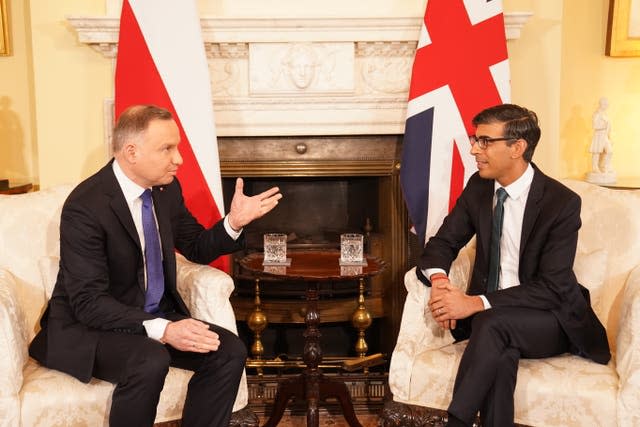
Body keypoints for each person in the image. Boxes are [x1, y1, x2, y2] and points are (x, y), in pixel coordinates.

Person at [29, 105, 283, 427]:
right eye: (167, 148)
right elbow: (88, 302)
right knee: (150, 358)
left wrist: (233, 223)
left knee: (228, 350)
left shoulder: (165, 189)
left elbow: (195, 246)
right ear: (131, 152)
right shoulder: (86, 206)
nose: (178, 159)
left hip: (150, 314)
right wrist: (164, 329)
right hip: (90, 326)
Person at [415, 104, 610, 427]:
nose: (474, 149)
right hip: (492, 323)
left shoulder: (560, 203)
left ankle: (456, 422)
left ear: (517, 148)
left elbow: (551, 288)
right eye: (475, 140)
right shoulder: (479, 187)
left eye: (485, 141)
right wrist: (440, 284)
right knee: (499, 353)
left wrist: (472, 303)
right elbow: (442, 244)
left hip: (551, 319)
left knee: (493, 325)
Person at [589, 97, 613, 174]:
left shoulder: (605, 114)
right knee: (597, 152)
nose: (606, 106)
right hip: (599, 134)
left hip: (605, 135)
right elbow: (594, 126)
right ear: (601, 104)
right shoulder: (597, 114)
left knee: (609, 151)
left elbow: (609, 126)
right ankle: (595, 167)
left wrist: (609, 136)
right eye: (605, 104)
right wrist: (603, 126)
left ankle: (605, 166)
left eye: (607, 104)